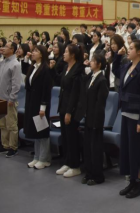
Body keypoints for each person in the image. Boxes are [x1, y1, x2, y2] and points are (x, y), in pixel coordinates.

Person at [112, 40, 140, 198]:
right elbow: (115, 70)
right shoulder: (127, 67)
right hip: (125, 113)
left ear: (139, 52)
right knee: (128, 150)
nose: (127, 50)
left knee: (137, 151)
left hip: (137, 117)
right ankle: (131, 181)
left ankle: (139, 184)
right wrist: (117, 56)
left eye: (130, 48)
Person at [73, 52, 109, 186]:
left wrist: (96, 121)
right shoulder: (91, 77)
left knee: (95, 148)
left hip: (96, 119)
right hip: (88, 117)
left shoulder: (102, 80)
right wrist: (83, 66)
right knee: (87, 147)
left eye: (93, 61)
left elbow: (100, 104)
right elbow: (82, 80)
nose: (90, 62)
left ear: (99, 64)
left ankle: (97, 175)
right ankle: (88, 173)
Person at [56, 44, 84, 178]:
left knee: (72, 137)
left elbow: (75, 93)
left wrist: (69, 112)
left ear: (73, 55)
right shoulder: (66, 68)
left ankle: (75, 165)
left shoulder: (78, 70)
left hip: (71, 109)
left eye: (66, 52)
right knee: (65, 136)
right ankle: (67, 162)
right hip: (63, 106)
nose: (64, 54)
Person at [23, 45, 53, 170]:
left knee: (42, 132)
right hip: (32, 102)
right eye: (33, 51)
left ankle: (44, 159)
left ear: (41, 54)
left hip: (41, 104)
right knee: (36, 131)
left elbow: (46, 89)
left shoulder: (45, 69)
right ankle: (37, 156)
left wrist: (43, 107)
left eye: (36, 51)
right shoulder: (33, 67)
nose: (33, 53)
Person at [0, 42, 22, 158]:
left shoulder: (15, 64)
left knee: (11, 125)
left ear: (12, 49)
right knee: (2, 124)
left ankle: (13, 147)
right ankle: (5, 145)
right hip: (0, 98)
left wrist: (12, 98)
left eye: (6, 47)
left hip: (9, 100)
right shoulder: (2, 62)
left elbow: (16, 84)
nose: (3, 48)